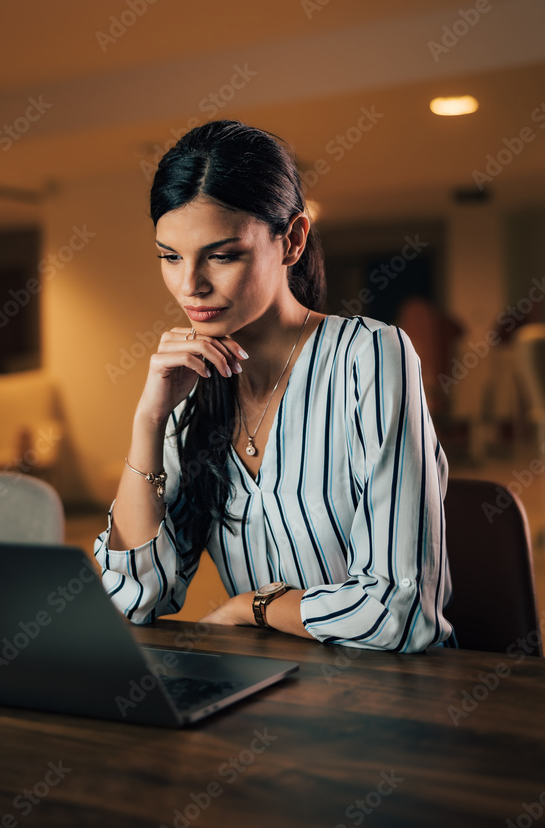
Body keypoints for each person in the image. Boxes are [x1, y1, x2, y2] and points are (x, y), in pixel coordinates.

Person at [94, 119, 456, 652]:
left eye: (222, 255)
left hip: (389, 698)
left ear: (291, 241)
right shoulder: (191, 389)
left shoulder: (370, 356)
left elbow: (398, 612)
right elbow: (131, 599)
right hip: (262, 695)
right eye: (170, 257)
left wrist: (252, 607)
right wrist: (148, 423)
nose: (190, 285)